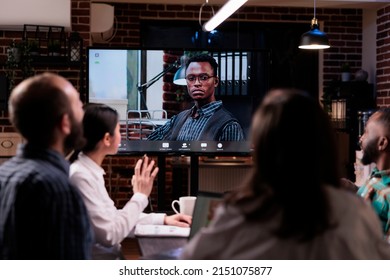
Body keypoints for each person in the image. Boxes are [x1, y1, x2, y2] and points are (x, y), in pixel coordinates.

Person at [180, 88, 390, 259]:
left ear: (262, 148)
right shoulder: (356, 212)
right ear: (325, 145)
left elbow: (190, 261)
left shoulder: (240, 213)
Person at [69, 103, 192, 259]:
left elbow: (113, 218)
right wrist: (140, 196)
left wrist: (164, 219)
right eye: (118, 130)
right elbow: (111, 234)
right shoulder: (80, 176)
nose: (121, 135)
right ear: (107, 139)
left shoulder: (88, 171)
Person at [0, 73, 93, 259]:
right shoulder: (57, 189)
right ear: (65, 123)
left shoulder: (4, 173)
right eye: (78, 105)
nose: (83, 112)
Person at [147, 54, 245, 141]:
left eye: (203, 78)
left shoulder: (229, 125)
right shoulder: (179, 118)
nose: (197, 83)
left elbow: (234, 161)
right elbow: (149, 143)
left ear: (216, 81)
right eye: (191, 78)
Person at [341, 108, 390, 240]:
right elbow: (369, 199)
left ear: (382, 143)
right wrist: (348, 187)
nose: (360, 137)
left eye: (366, 132)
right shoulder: (377, 175)